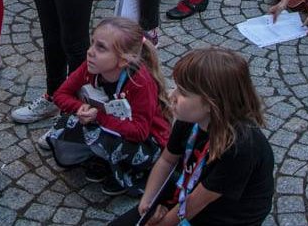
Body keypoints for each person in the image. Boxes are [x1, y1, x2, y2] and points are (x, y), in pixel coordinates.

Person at [111, 47, 273, 226]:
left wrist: (161, 223)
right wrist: (148, 200)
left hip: (225, 217)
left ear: (211, 103)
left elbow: (197, 203)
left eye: (183, 92)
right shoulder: (189, 118)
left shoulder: (241, 146)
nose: (172, 95)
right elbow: (167, 160)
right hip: (187, 192)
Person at [43, 17, 171, 197]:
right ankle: (105, 161)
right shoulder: (91, 67)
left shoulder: (140, 83)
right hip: (110, 125)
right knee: (66, 124)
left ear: (124, 60)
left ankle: (125, 173)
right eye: (92, 43)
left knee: (99, 135)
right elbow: (61, 95)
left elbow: (139, 131)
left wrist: (98, 117)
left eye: (100, 47)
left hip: (147, 140)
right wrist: (80, 108)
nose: (90, 52)